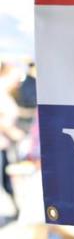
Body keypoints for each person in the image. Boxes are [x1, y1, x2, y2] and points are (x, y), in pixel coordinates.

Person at [0, 62, 25, 227]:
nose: (19, 82)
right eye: (16, 78)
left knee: (7, 181)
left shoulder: (6, 94)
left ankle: (17, 211)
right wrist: (15, 134)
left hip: (4, 146)